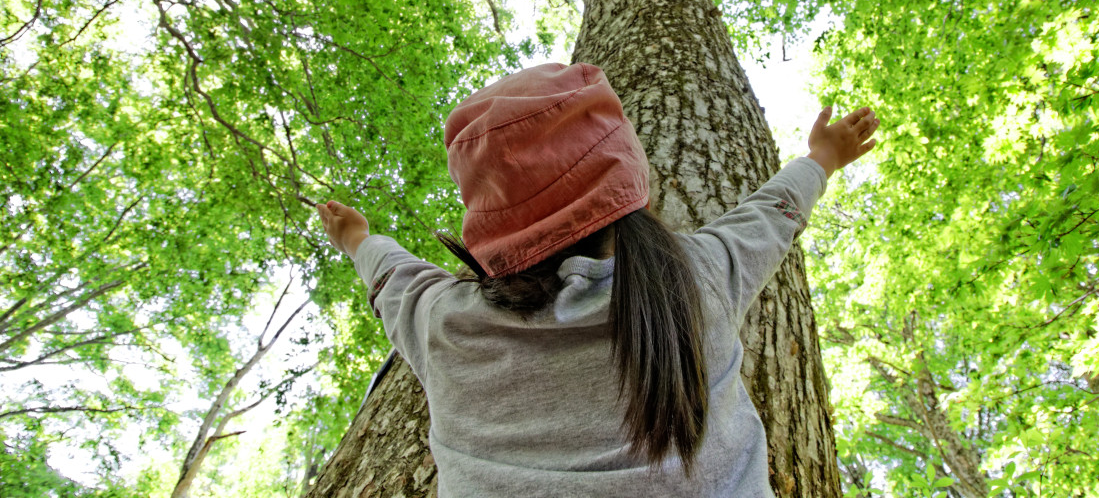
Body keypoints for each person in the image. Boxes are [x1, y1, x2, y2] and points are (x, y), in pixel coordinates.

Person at [317, 62, 879, 497]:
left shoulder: (447, 327)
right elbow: (772, 215)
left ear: (487, 220)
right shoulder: (698, 277)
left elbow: (394, 275)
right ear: (633, 177)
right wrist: (823, 158)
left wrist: (354, 238)